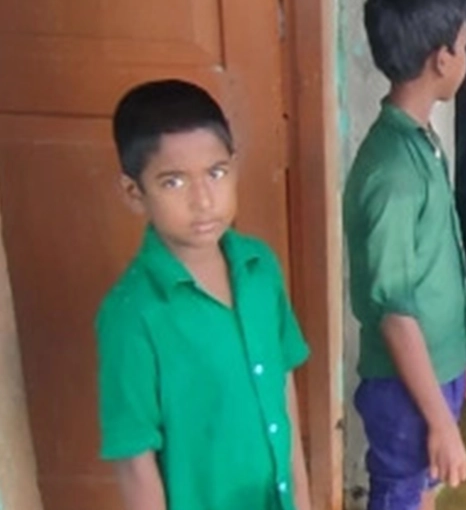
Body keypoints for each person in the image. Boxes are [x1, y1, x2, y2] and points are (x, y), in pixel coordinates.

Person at [97, 80, 312, 510]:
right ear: (134, 192)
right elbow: (135, 463)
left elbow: (283, 388)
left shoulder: (259, 269)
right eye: (174, 182)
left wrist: (302, 501)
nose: (203, 200)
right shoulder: (132, 315)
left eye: (216, 173)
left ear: (233, 167)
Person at [344, 0, 466, 510]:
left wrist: (457, 358)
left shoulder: (420, 142)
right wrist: (440, 421)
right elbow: (396, 312)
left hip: (434, 370)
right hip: (405, 388)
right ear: (442, 59)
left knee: (423, 485)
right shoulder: (391, 173)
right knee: (401, 491)